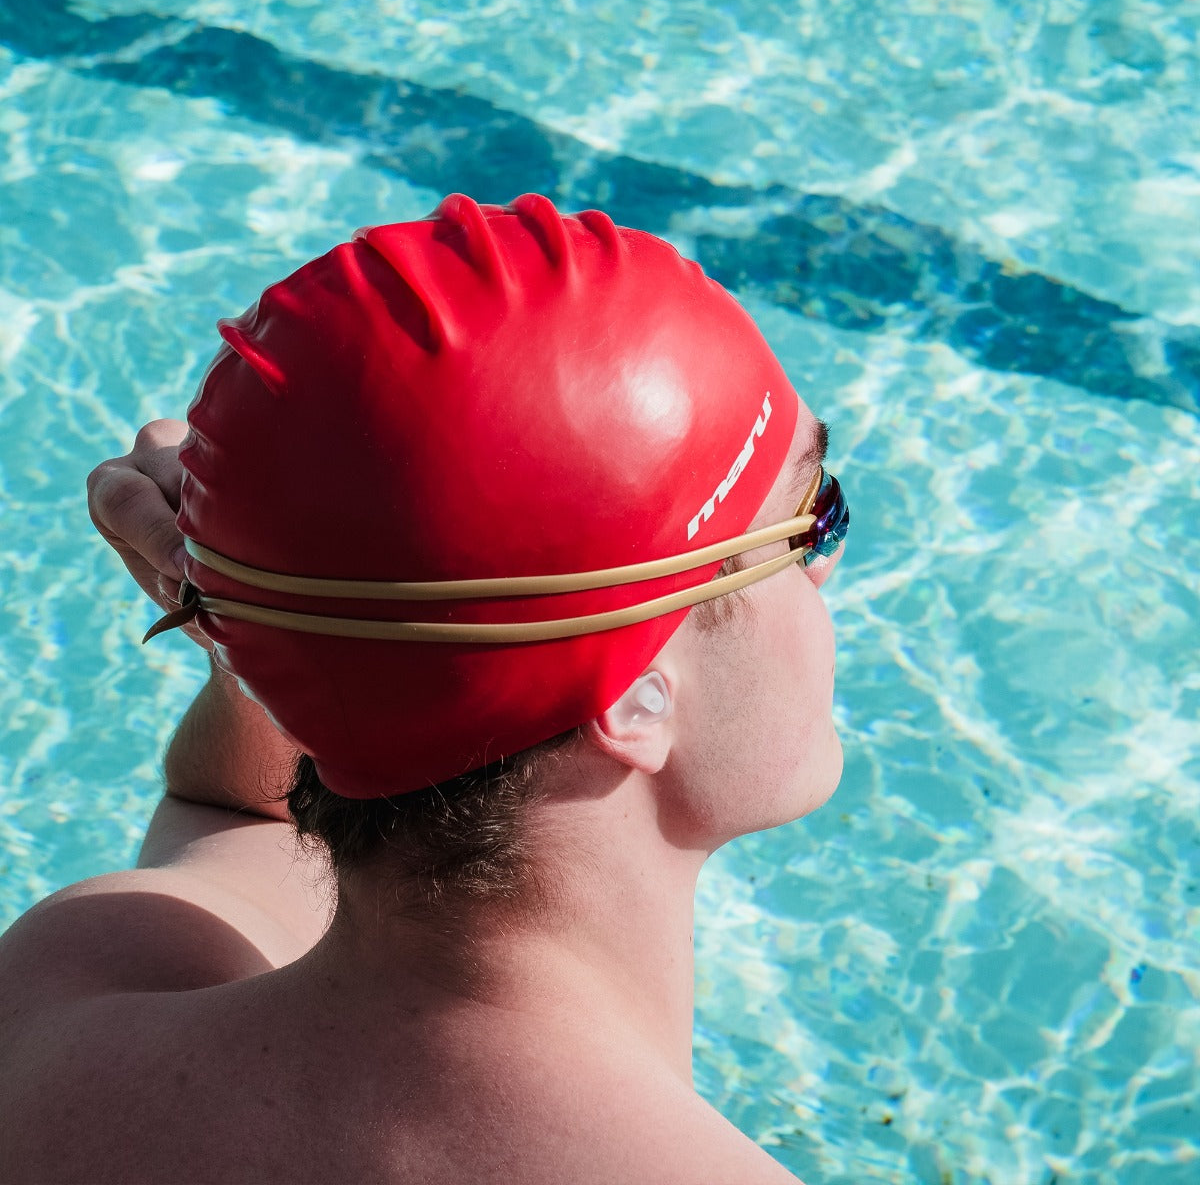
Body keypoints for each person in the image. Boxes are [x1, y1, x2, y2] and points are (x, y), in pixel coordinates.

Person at [0, 194, 848, 1185]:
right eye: (812, 522)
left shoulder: (66, 1006)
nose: (827, 576)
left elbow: (223, 813)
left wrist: (284, 628)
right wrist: (258, 617)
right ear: (631, 696)